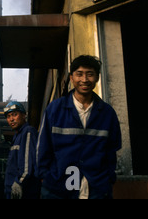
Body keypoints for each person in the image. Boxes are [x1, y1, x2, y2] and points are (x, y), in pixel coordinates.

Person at [36, 55, 122, 199]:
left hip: (96, 189)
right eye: (79, 74)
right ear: (71, 78)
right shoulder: (55, 109)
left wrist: (108, 179)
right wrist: (45, 177)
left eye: (90, 74)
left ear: (97, 78)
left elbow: (112, 150)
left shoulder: (107, 113)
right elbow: (43, 146)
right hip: (59, 189)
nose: (84, 80)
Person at [4, 101, 40, 199]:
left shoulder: (28, 132)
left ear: (24, 115)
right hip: (13, 191)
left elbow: (27, 165)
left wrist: (19, 182)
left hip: (23, 191)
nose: (11, 119)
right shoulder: (17, 137)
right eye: (8, 116)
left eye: (15, 115)